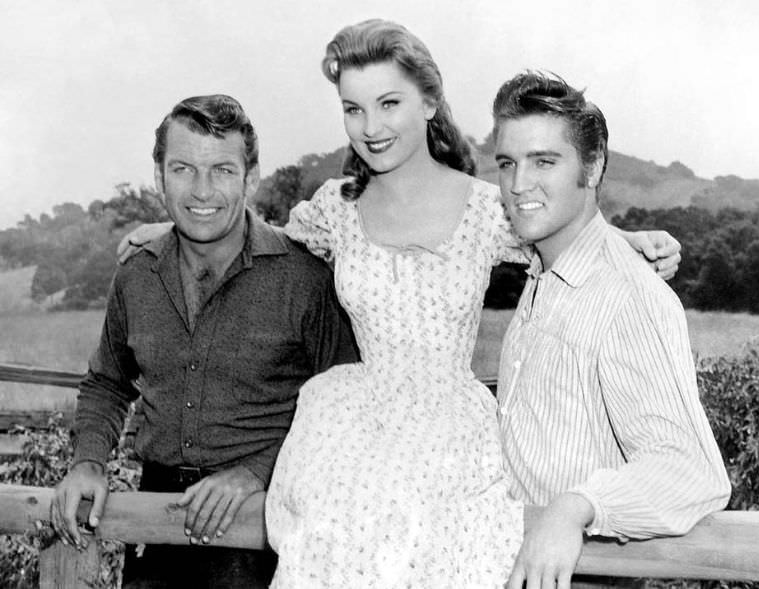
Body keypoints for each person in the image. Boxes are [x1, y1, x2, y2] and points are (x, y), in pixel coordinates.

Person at [117, 21, 681, 587]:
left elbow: (561, 230)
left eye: (389, 103)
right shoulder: (336, 207)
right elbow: (261, 238)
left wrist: (632, 243)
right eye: (353, 109)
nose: (371, 127)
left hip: (448, 432)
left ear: (430, 101)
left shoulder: (485, 207)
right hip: (352, 430)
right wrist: (170, 227)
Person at [50, 94, 358, 588]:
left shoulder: (305, 278)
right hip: (153, 523)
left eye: (222, 170)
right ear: (159, 176)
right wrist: (88, 462)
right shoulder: (136, 273)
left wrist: (257, 472)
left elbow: (348, 405)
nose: (201, 190)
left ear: (251, 179)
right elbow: (107, 382)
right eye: (183, 169)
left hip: (265, 531)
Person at [491, 71, 731, 589]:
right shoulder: (544, 276)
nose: (517, 184)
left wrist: (575, 508)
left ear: (593, 165)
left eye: (544, 161)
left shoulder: (629, 297)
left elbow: (689, 469)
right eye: (508, 163)